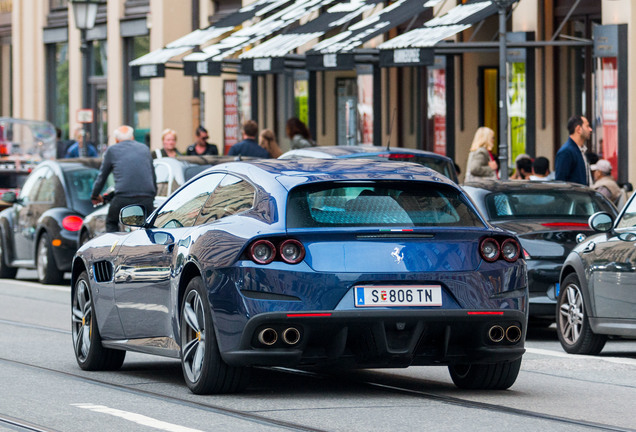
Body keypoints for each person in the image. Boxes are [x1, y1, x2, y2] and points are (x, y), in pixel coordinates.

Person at [91, 125, 156, 232]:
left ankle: (113, 246)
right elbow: (153, 175)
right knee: (148, 226)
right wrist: (152, 196)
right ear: (133, 138)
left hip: (124, 196)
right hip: (146, 196)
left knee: (111, 222)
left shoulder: (112, 150)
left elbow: (102, 176)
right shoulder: (144, 148)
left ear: (116, 140)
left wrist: (94, 195)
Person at [554, 115, 593, 185]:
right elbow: (560, 183)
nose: (590, 129)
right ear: (578, 129)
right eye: (587, 126)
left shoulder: (581, 150)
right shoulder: (566, 152)